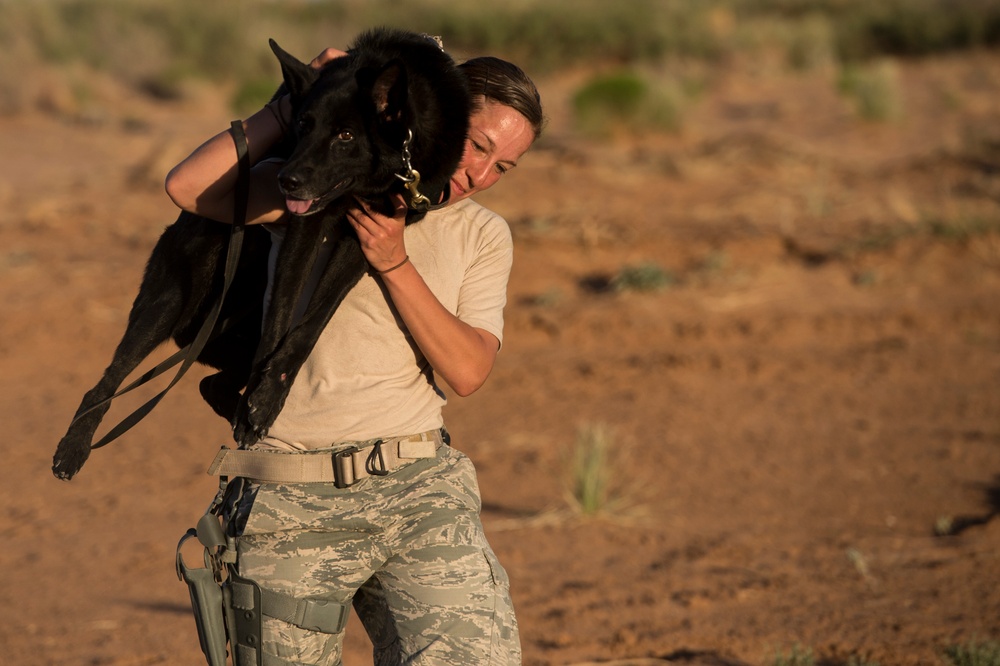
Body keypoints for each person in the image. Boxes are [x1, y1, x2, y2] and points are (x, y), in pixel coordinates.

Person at [165, 42, 544, 666]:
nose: (479, 175)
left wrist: (394, 262)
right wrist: (293, 104)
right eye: (478, 145)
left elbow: (469, 369)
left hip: (419, 491)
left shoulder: (483, 234)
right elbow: (188, 188)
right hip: (290, 497)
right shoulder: (324, 185)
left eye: (504, 166)